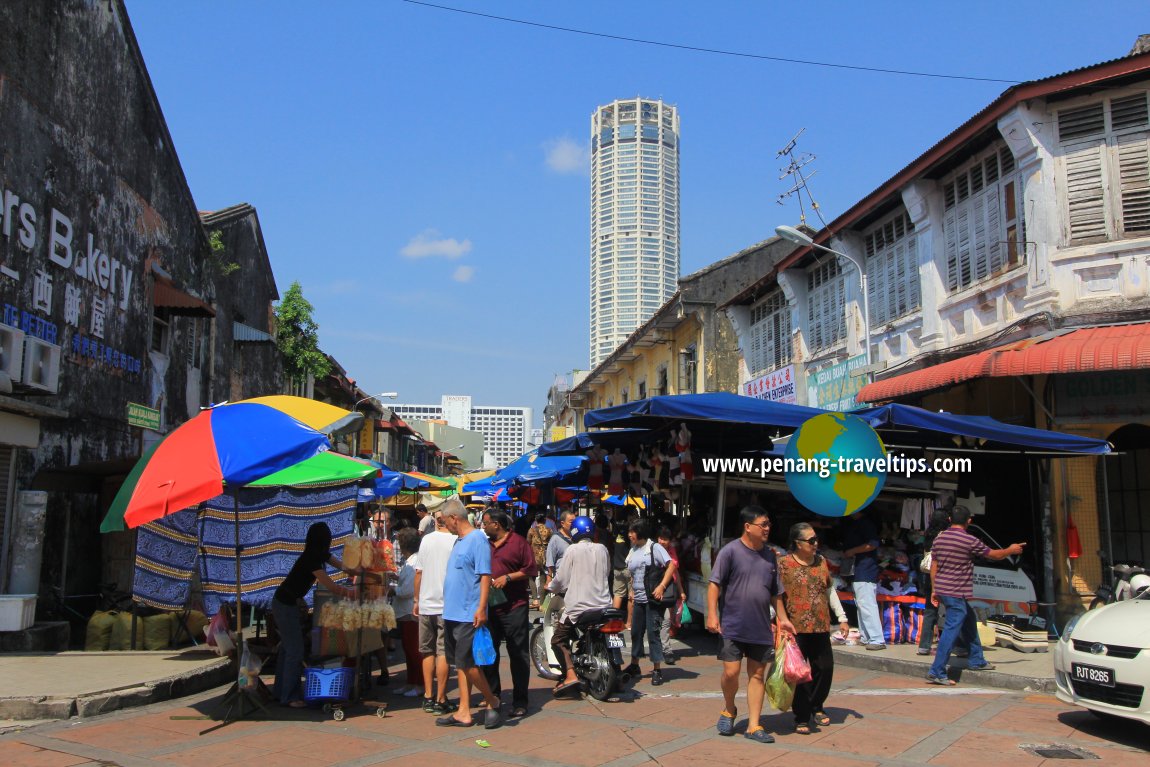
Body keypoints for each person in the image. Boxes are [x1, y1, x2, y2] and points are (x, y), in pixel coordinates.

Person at [707, 506, 795, 744]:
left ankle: (754, 725)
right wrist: (712, 614)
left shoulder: (770, 556)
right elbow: (714, 584)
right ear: (748, 527)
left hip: (760, 627)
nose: (767, 528)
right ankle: (729, 708)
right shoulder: (730, 552)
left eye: (768, 524)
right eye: (762, 524)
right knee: (731, 672)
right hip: (732, 625)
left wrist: (784, 619)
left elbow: (776, 593)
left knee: (757, 675)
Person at [927, 506, 1026, 686]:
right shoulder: (968, 540)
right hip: (957, 591)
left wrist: (935, 589)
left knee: (969, 621)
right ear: (969, 521)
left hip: (945, 590)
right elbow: (993, 555)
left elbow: (934, 566)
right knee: (951, 630)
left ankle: (976, 660)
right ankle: (937, 670)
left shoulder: (939, 539)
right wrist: (1011, 550)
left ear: (950, 519)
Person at [272, 522, 355, 708]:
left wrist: (362, 572)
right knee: (295, 650)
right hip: (284, 605)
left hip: (287, 603)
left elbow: (343, 567)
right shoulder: (311, 559)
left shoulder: (319, 555)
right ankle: (290, 697)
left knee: (287, 649)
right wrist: (352, 593)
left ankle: (280, 693)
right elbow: (331, 586)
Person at [436, 498, 503, 729]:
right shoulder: (459, 541)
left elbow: (485, 575)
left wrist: (481, 607)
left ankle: (492, 699)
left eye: (445, 521)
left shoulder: (477, 540)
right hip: (452, 612)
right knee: (460, 664)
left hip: (468, 613)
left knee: (469, 663)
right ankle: (464, 711)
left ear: (455, 518)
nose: (445, 526)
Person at [778, 522, 849, 735]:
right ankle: (801, 715)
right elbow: (776, 596)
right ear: (797, 543)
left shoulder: (821, 562)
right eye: (811, 540)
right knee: (799, 675)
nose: (816, 543)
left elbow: (829, 590)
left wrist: (842, 617)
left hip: (820, 626)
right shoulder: (784, 564)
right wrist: (777, 620)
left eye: (816, 539)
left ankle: (816, 705)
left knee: (825, 668)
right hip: (795, 628)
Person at [480, 509, 537, 718]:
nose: (483, 526)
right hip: (490, 607)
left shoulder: (519, 542)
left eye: (485, 523)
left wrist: (509, 578)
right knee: (489, 653)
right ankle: (493, 696)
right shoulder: (483, 544)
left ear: (497, 524)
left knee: (518, 653)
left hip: (514, 606)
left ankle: (520, 700)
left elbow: (530, 570)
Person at [548, 515, 613, 696]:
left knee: (558, 640)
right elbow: (606, 571)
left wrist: (550, 586)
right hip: (603, 606)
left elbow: (561, 579)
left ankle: (570, 675)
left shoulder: (572, 550)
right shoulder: (602, 549)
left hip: (579, 607)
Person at [413, 509, 457, 715]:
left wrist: (416, 599)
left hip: (426, 603)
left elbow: (419, 573)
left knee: (427, 651)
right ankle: (441, 698)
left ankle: (428, 696)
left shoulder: (427, 540)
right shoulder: (456, 541)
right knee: (443, 652)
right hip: (446, 605)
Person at [624, 518, 677, 686]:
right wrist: (632, 589)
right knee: (636, 632)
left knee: (653, 634)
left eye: (632, 531)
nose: (630, 534)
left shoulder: (655, 547)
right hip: (638, 599)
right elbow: (633, 572)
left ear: (640, 532)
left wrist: (661, 586)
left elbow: (671, 565)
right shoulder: (633, 550)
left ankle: (657, 669)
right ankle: (634, 665)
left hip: (652, 599)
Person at [842, 510, 885, 650]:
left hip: (865, 569)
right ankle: (867, 636)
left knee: (867, 604)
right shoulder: (857, 523)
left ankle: (877, 639)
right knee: (861, 605)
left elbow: (872, 544)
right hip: (859, 570)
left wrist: (852, 551)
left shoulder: (866, 524)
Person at [392, 528, 424, 698]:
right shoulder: (410, 561)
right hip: (405, 611)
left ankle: (419, 684)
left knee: (414, 649)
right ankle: (411, 682)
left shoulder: (414, 562)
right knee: (408, 648)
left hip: (411, 610)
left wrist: (393, 590)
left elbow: (407, 589)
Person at [916, 508, 952, 656]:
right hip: (943, 577)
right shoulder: (945, 536)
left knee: (930, 612)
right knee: (952, 612)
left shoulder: (928, 534)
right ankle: (954, 646)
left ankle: (924, 646)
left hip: (929, 578)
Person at [656, 526, 684, 665]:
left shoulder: (672, 551)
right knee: (652, 622)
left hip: (668, 591)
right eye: (661, 538)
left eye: (665, 539)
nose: (662, 542)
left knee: (667, 620)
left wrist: (681, 590)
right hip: (653, 590)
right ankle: (647, 649)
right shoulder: (652, 550)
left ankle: (667, 650)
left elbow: (676, 573)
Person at [526, 513, 552, 609]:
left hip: (534, 555)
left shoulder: (532, 530)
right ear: (544, 520)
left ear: (536, 520)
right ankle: (541, 602)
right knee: (542, 577)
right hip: (545, 555)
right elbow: (551, 542)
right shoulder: (549, 530)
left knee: (531, 577)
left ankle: (535, 599)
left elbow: (527, 542)